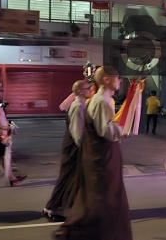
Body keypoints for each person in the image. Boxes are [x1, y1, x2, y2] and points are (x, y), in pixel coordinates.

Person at [56, 66, 132, 240]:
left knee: (102, 203)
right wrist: (125, 127)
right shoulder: (101, 101)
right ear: (106, 79)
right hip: (100, 159)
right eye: (117, 77)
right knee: (101, 202)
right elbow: (107, 132)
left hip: (102, 158)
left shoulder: (103, 100)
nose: (120, 81)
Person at [43, 80, 92, 222]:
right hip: (73, 148)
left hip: (72, 147)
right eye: (87, 88)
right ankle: (52, 207)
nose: (90, 90)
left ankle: (62, 208)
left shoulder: (80, 104)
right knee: (66, 179)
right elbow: (77, 131)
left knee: (70, 179)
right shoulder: (78, 106)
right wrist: (83, 148)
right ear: (79, 91)